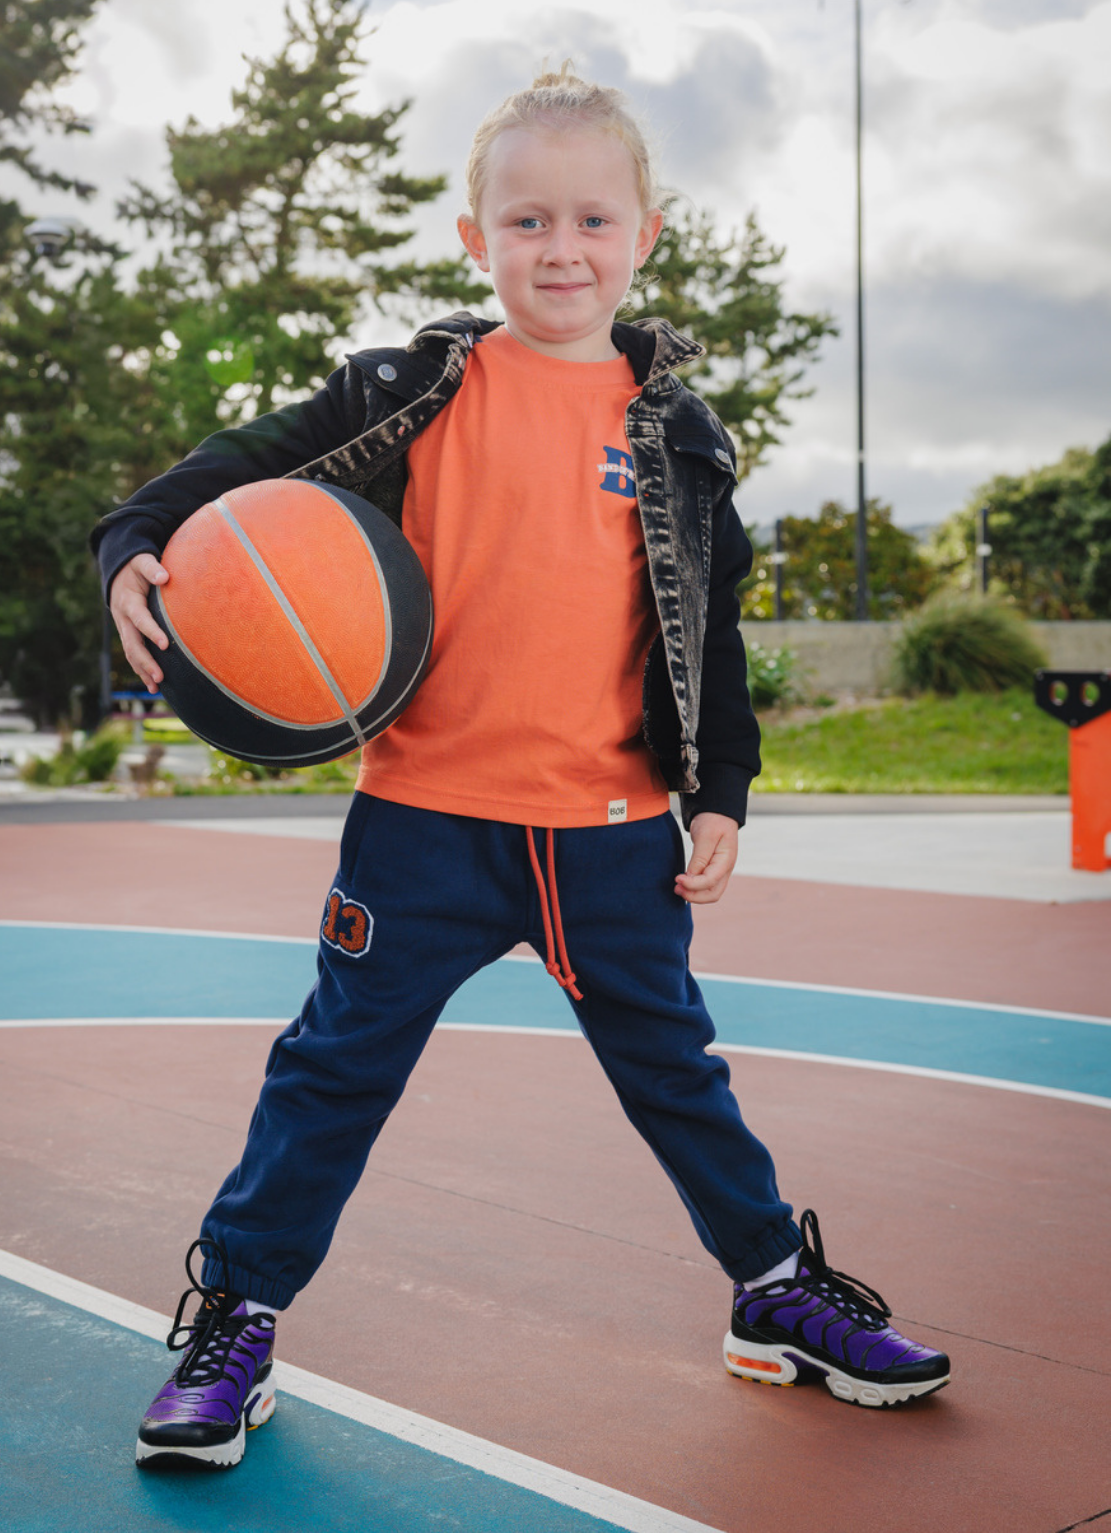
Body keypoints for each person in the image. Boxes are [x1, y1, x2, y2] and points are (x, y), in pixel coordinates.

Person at [92, 67, 950, 1471]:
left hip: (610, 832)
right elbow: (213, 473)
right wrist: (131, 545)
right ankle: (232, 1317)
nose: (562, 249)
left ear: (645, 238)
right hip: (421, 821)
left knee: (678, 1072)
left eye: (593, 221)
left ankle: (773, 1291)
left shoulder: (680, 433)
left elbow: (710, 635)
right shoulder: (413, 387)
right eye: (528, 220)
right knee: (331, 1075)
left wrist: (719, 790)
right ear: (471, 237)